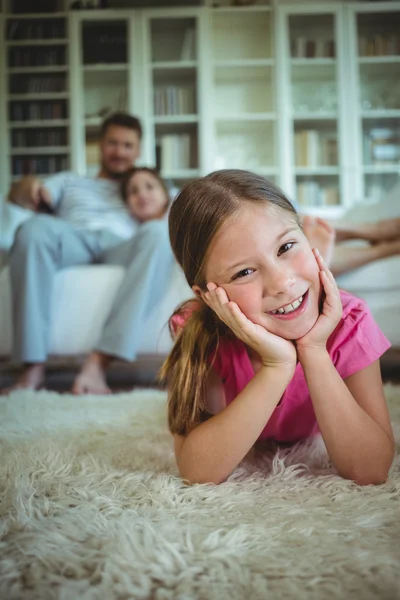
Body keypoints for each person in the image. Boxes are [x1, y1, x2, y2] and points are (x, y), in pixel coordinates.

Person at [160, 169, 395, 487]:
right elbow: (198, 471)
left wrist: (313, 349)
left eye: (286, 248)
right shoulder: (200, 332)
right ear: (209, 296)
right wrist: (276, 366)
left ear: (306, 237)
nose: (283, 283)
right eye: (244, 272)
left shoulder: (349, 322)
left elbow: (371, 470)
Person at [3, 112, 174, 395]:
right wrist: (27, 186)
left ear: (138, 150)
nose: (119, 151)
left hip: (123, 245)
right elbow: (21, 194)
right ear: (100, 145)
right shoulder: (69, 181)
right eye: (112, 143)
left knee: (158, 234)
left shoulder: (143, 186)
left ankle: (97, 365)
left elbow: (178, 210)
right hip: (73, 237)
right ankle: (31, 370)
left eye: (127, 145)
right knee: (34, 229)